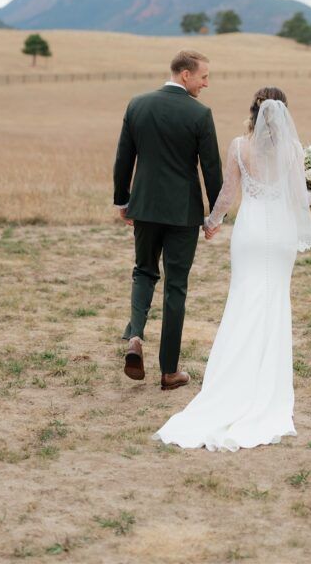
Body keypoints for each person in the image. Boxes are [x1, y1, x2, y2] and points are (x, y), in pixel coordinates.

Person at [154, 86, 311, 451]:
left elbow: (227, 194)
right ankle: (266, 382)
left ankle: (232, 380)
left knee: (244, 299)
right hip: (281, 238)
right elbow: (298, 198)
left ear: (254, 113)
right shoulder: (292, 150)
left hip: (250, 231)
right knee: (274, 301)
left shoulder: (239, 146)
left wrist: (211, 222)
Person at [113, 50, 223, 391]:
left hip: (144, 206)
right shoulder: (200, 114)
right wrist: (214, 215)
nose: (207, 83)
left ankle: (135, 337)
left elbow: (124, 158)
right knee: (176, 285)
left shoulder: (137, 105)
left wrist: (123, 199)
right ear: (185, 74)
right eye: (204, 76)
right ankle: (169, 371)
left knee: (143, 271)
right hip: (182, 213)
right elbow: (211, 169)